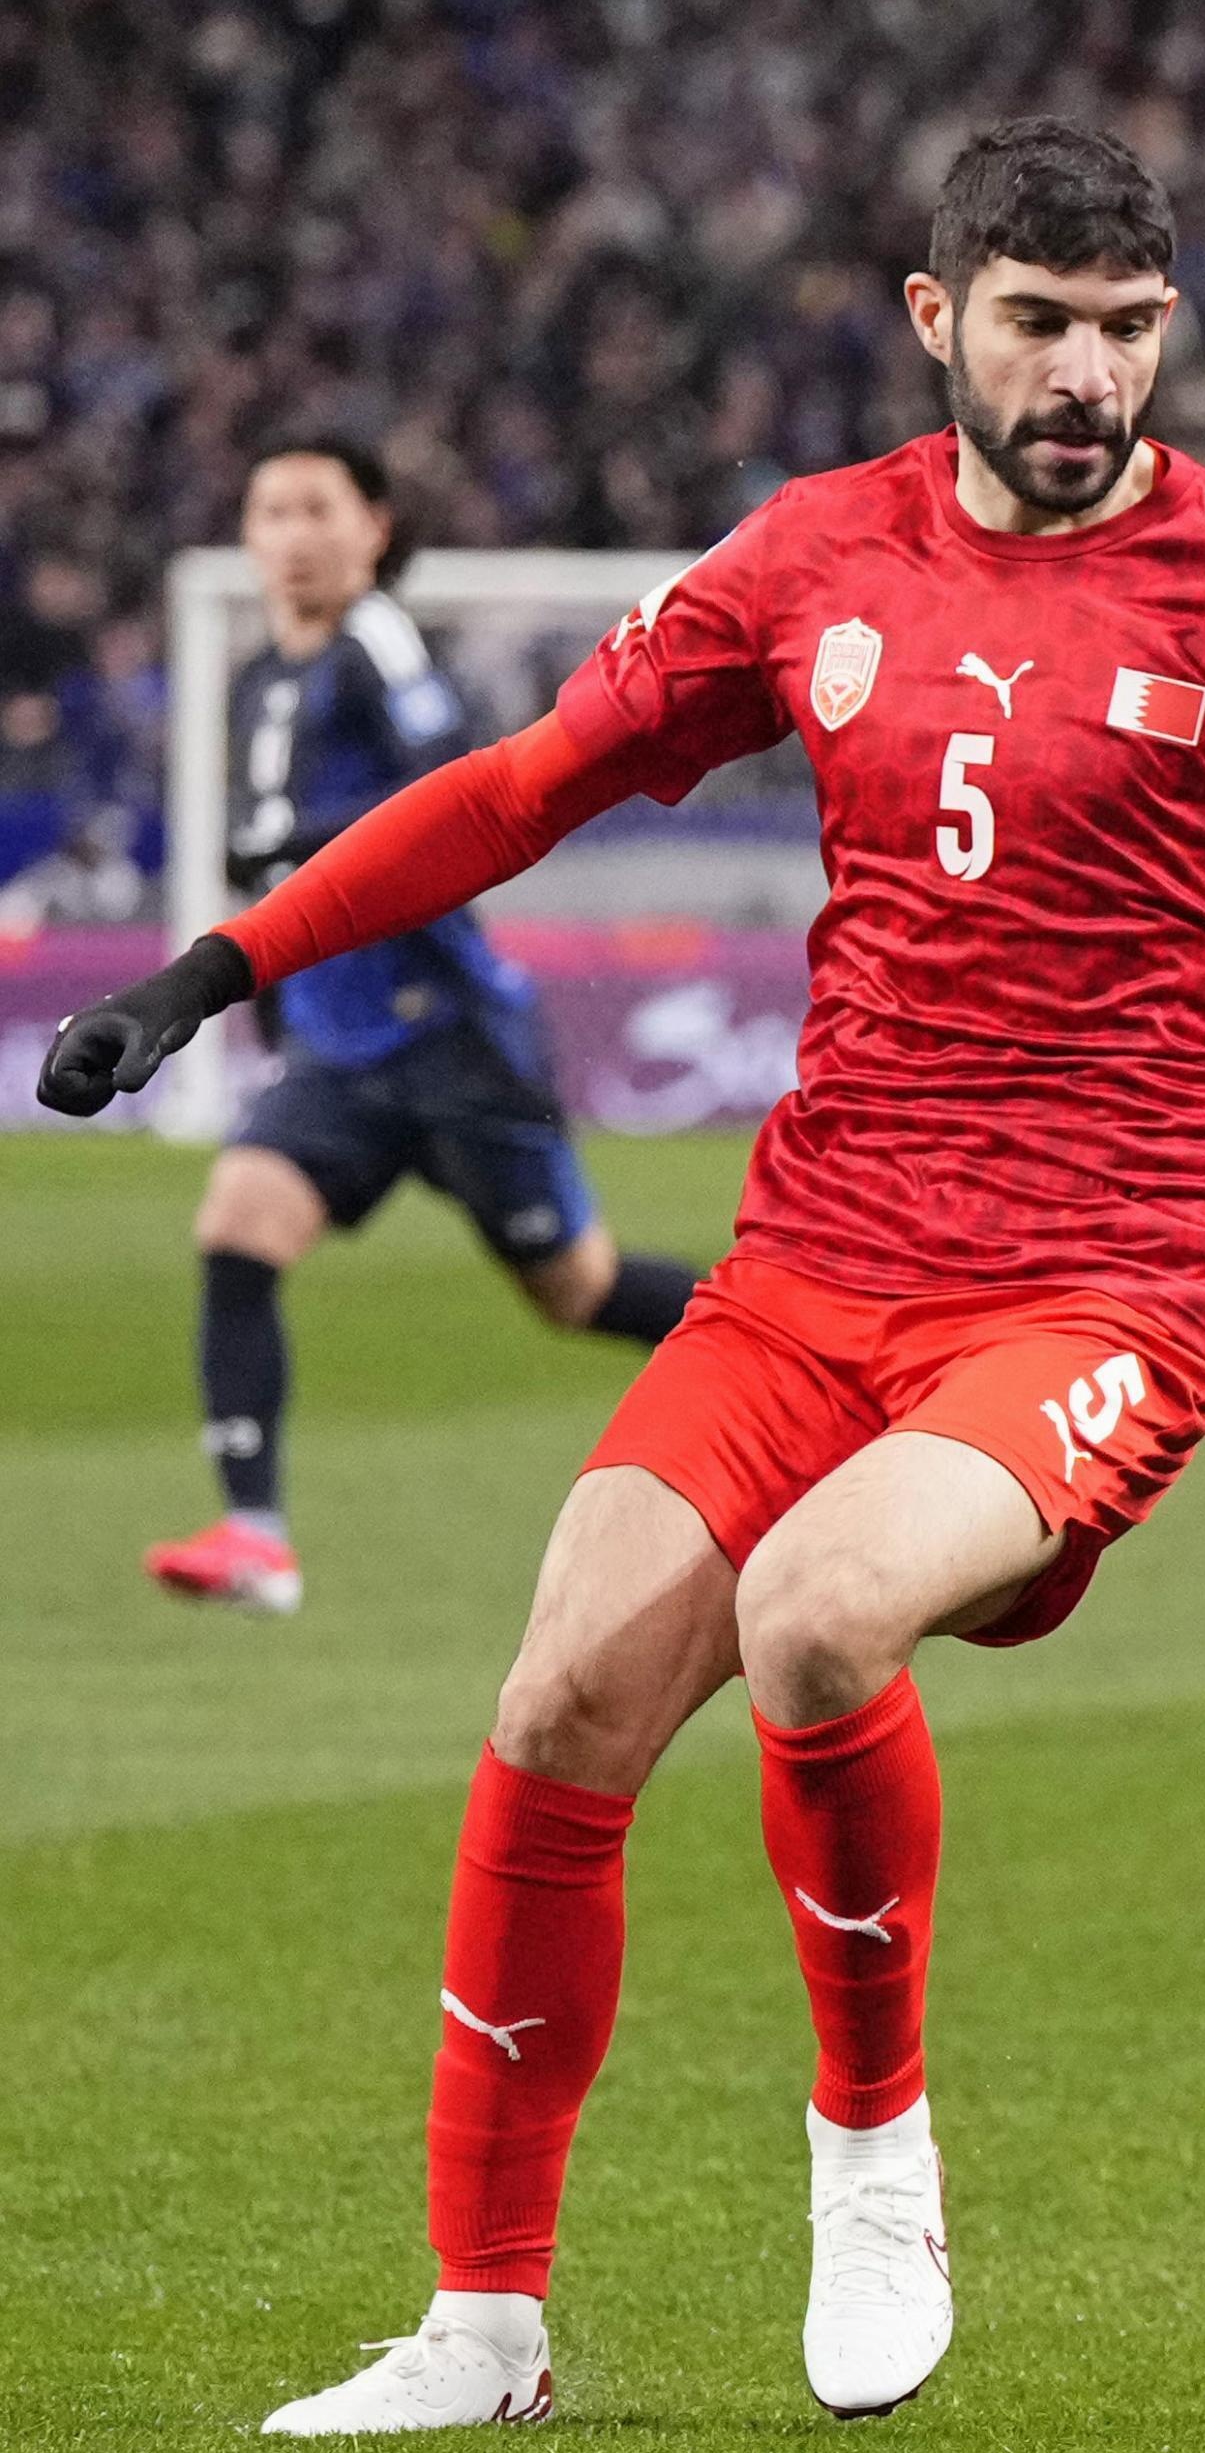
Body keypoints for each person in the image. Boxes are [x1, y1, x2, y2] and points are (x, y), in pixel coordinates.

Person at [41, 118, 1205, 2433]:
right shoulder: (812, 554)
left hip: (1114, 1275)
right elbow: (522, 786)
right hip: (822, 1247)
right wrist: (217, 968)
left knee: (816, 1613)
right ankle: (482, 2326)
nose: (1087, 373)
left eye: (1128, 329)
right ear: (936, 319)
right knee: (559, 1700)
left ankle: (875, 2149)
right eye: (1039, 322)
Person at [138, 439, 703, 1618]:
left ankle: (821, 1354)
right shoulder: (258, 680)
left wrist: (290, 839)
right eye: (272, 511)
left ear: (375, 528)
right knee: (238, 1226)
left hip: (450, 1042)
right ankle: (255, 1537)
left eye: (318, 509)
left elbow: (446, 786)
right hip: (336, 1052)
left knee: (578, 1291)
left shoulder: (379, 642)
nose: (293, 534)